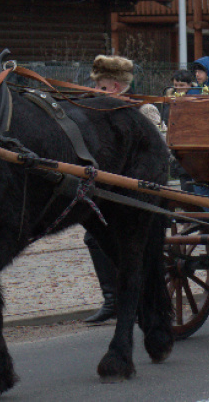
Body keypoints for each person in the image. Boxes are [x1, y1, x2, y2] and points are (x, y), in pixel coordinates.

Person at [83, 55, 165, 323]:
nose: (95, 91)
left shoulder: (144, 111)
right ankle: (112, 299)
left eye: (101, 86)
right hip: (109, 189)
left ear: (115, 87)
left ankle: (128, 297)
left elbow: (159, 152)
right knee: (93, 237)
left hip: (138, 189)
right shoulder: (98, 114)